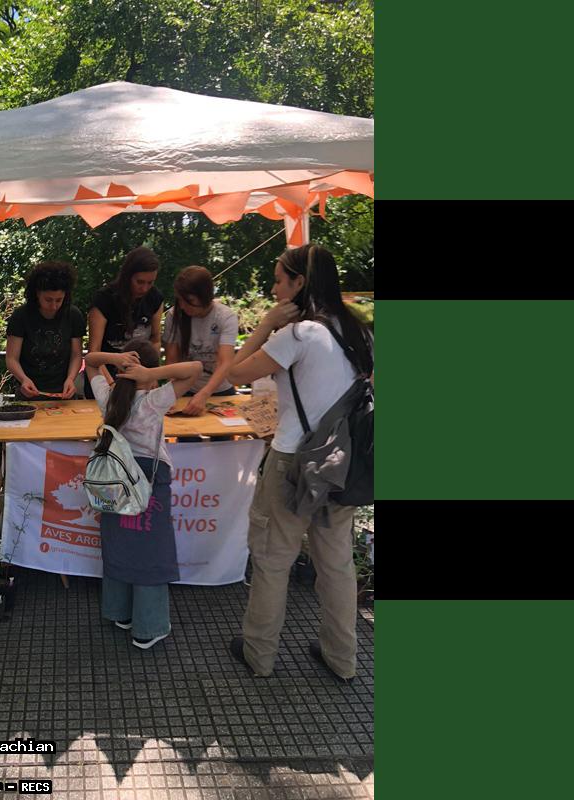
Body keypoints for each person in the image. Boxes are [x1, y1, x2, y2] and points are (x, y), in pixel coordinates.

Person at [226, 243, 373, 681]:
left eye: (278, 280)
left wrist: (266, 324)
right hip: (342, 462)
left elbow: (235, 373)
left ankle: (259, 655)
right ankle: (342, 658)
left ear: (299, 283)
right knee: (337, 564)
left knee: (273, 559)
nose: (274, 289)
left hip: (292, 461)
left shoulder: (298, 335)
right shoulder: (359, 332)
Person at [84, 342, 202, 649]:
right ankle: (147, 628)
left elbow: (90, 361)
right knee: (151, 553)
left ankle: (120, 613)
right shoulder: (153, 400)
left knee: (119, 545)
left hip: (115, 483)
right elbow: (195, 370)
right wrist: (150, 374)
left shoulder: (109, 398)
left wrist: (115, 359)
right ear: (149, 372)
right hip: (150, 484)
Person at [85, 247, 163, 397]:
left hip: (139, 381)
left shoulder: (155, 298)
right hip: (104, 378)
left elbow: (155, 340)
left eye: (150, 283)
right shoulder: (104, 299)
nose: (144, 288)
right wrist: (110, 386)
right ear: (127, 276)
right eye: (140, 282)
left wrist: (152, 375)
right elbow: (94, 351)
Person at [162, 266, 239, 416]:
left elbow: (225, 362)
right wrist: (172, 394)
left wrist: (204, 394)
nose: (182, 306)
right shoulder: (174, 316)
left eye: (189, 301)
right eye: (180, 300)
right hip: (186, 390)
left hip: (220, 390)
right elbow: (172, 360)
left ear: (205, 296)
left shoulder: (225, 317)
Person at [6, 261, 85, 400]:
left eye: (59, 300)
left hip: (64, 392)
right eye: (48, 300)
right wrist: (23, 379)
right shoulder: (21, 316)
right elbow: (11, 358)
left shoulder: (73, 315)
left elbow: (76, 355)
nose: (54, 306)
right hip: (28, 392)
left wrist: (71, 379)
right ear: (37, 294)